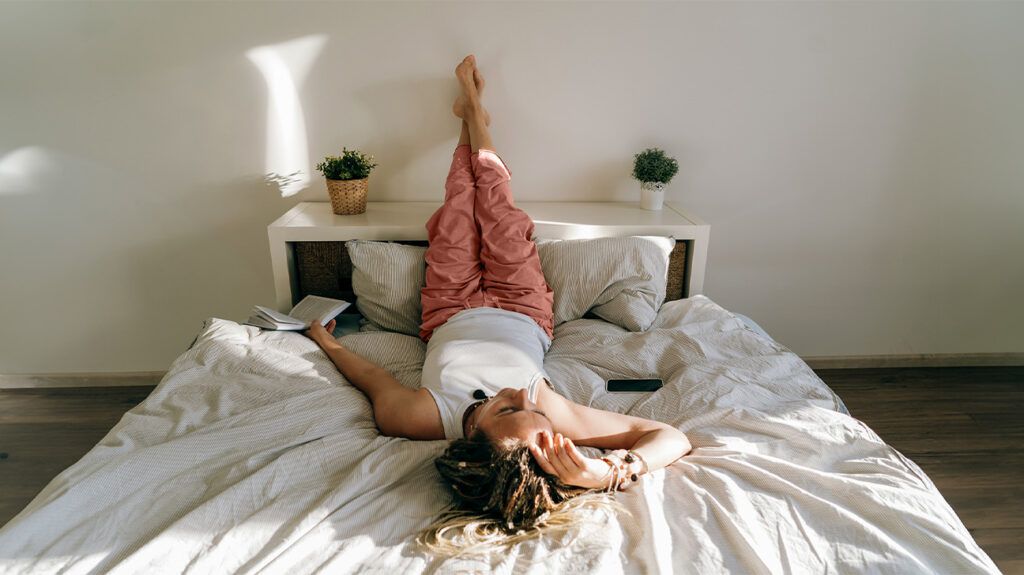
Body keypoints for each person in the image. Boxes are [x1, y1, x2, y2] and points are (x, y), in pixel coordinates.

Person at [305, 54, 691, 549]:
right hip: (522, 306)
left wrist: (323, 341)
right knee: (500, 211)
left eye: (504, 409)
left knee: (454, 212)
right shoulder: (546, 411)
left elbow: (375, 379)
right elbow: (669, 436)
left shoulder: (421, 420)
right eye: (533, 408)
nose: (520, 394)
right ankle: (473, 116)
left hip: (449, 307)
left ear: (470, 439)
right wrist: (610, 472)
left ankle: (471, 118)